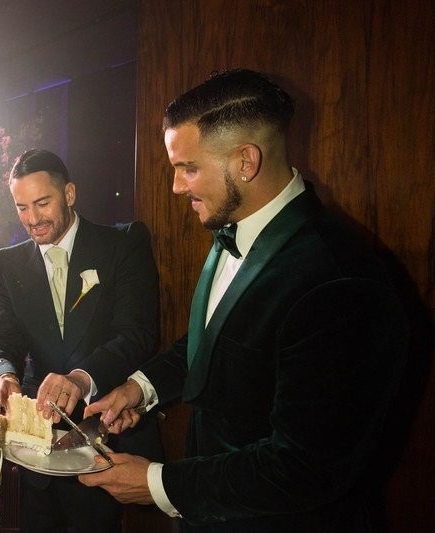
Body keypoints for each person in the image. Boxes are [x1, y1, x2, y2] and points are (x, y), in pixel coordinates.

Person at [77, 69, 408, 532]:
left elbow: (305, 467)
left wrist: (157, 483)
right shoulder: (237, 226)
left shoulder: (338, 278)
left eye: (189, 168)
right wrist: (140, 388)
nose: (176, 186)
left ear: (246, 162)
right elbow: (215, 343)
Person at [0, 148, 165, 532]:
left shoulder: (122, 244)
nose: (32, 219)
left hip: (105, 434)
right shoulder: (6, 262)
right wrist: (5, 375)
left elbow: (138, 335)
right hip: (36, 445)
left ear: (69, 194)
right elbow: (4, 342)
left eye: (42, 203)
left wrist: (82, 378)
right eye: (21, 207)